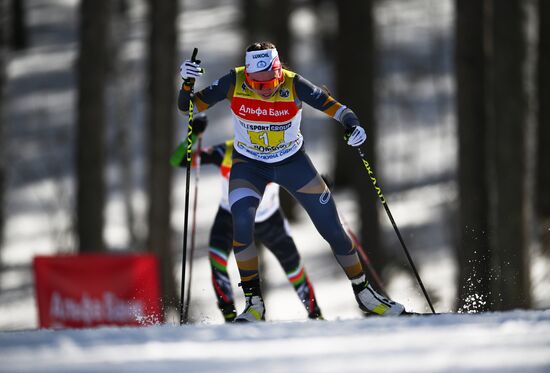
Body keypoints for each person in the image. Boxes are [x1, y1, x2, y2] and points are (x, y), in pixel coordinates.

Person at [178, 41, 406, 322]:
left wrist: (353, 127)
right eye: (257, 85)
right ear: (247, 75)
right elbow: (187, 107)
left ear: (279, 70)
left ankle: (366, 294)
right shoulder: (233, 81)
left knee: (332, 229)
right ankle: (254, 304)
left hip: (292, 164)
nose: (266, 91)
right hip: (249, 165)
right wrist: (187, 83)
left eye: (271, 82)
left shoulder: (294, 84)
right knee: (242, 223)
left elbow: (340, 110)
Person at [170, 114, 323, 322]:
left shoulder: (278, 150)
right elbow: (178, 160)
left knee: (293, 268)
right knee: (217, 261)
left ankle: (316, 316)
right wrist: (194, 134)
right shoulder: (226, 151)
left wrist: (320, 185)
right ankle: (230, 316)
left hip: (269, 218)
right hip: (230, 216)